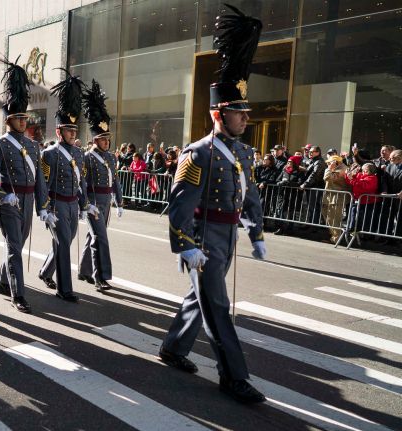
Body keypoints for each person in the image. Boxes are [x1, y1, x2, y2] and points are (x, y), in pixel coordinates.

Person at [159, 5, 267, 404]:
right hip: (203, 237)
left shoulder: (242, 153)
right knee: (218, 306)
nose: (245, 118)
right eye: (238, 112)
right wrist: (184, 242)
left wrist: (256, 231)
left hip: (228, 235)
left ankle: (172, 348)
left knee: (200, 296)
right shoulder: (198, 153)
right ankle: (233, 376)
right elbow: (179, 204)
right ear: (220, 113)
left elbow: (249, 193)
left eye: (245, 112)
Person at [0, 60, 50, 313]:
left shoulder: (34, 146)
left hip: (27, 201)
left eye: (25, 117)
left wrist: (43, 206)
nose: (23, 122)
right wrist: (1, 198)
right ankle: (18, 294)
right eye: (18, 118)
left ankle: (3, 279)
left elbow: (40, 179)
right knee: (15, 245)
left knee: (18, 243)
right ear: (9, 120)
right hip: (10, 200)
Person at [37, 69, 89, 302]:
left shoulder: (79, 153)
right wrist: (45, 208)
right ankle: (64, 289)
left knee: (64, 243)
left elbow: (82, 181)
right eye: (68, 130)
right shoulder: (49, 154)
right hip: (57, 204)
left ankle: (45, 271)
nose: (72, 133)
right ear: (59, 131)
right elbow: (44, 182)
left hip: (72, 205)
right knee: (65, 245)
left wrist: (85, 205)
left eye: (74, 130)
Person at [77, 80, 123, 292]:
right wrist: (85, 205)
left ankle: (84, 270)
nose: (106, 142)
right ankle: (100, 276)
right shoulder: (88, 157)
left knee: (92, 236)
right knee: (100, 238)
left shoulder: (112, 158)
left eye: (108, 139)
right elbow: (82, 183)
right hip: (94, 202)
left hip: (107, 202)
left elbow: (116, 181)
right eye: (103, 139)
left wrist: (120, 202)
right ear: (95, 139)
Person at [322, 155, 350, 243]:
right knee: (327, 216)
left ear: (335, 162)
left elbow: (326, 177)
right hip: (329, 195)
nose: (328, 164)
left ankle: (336, 238)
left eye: (330, 162)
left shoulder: (342, 169)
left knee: (334, 218)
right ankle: (334, 235)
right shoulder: (336, 168)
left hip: (337, 197)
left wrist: (330, 168)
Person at [273, 156, 305, 234]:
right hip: (283, 194)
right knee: (281, 211)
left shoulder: (299, 172)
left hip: (293, 194)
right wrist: (280, 182)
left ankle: (290, 229)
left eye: (290, 162)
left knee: (291, 212)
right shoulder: (284, 170)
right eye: (288, 162)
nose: (288, 163)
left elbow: (299, 183)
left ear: (294, 163)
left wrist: (288, 183)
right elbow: (277, 179)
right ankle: (281, 228)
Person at [346, 163, 380, 235]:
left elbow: (364, 187)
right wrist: (349, 174)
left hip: (368, 202)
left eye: (366, 170)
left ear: (371, 171)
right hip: (358, 200)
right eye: (363, 170)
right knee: (353, 213)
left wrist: (352, 179)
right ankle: (352, 228)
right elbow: (349, 181)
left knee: (365, 218)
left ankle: (365, 234)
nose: (364, 172)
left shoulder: (372, 178)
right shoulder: (359, 175)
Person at [300, 146, 327, 225]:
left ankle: (314, 226)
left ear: (318, 153)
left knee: (315, 208)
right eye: (309, 151)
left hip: (316, 187)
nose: (310, 153)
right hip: (311, 187)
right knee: (310, 207)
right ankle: (310, 224)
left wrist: (305, 184)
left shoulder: (319, 162)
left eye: (312, 152)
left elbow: (314, 175)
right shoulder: (313, 161)